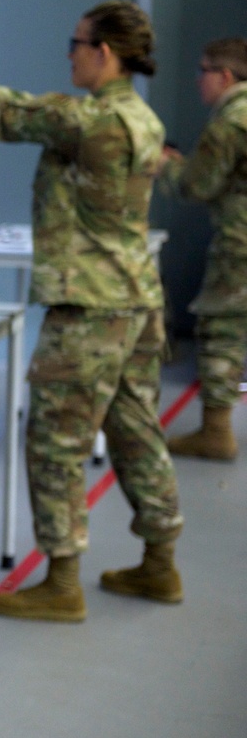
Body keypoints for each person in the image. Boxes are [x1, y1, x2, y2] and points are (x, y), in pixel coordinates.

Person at [0, 0, 184, 622]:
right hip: (135, 301)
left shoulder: (92, 121)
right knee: (134, 430)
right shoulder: (142, 118)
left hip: (90, 305)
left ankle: (64, 580)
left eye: (75, 43)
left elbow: (9, 113)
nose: (68, 53)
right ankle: (160, 562)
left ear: (104, 53)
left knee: (55, 441)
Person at [158, 38, 247, 462]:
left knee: (221, 332)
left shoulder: (231, 121)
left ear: (225, 76)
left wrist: (166, 166)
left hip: (241, 246)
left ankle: (216, 432)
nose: (197, 80)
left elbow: (198, 185)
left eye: (203, 70)